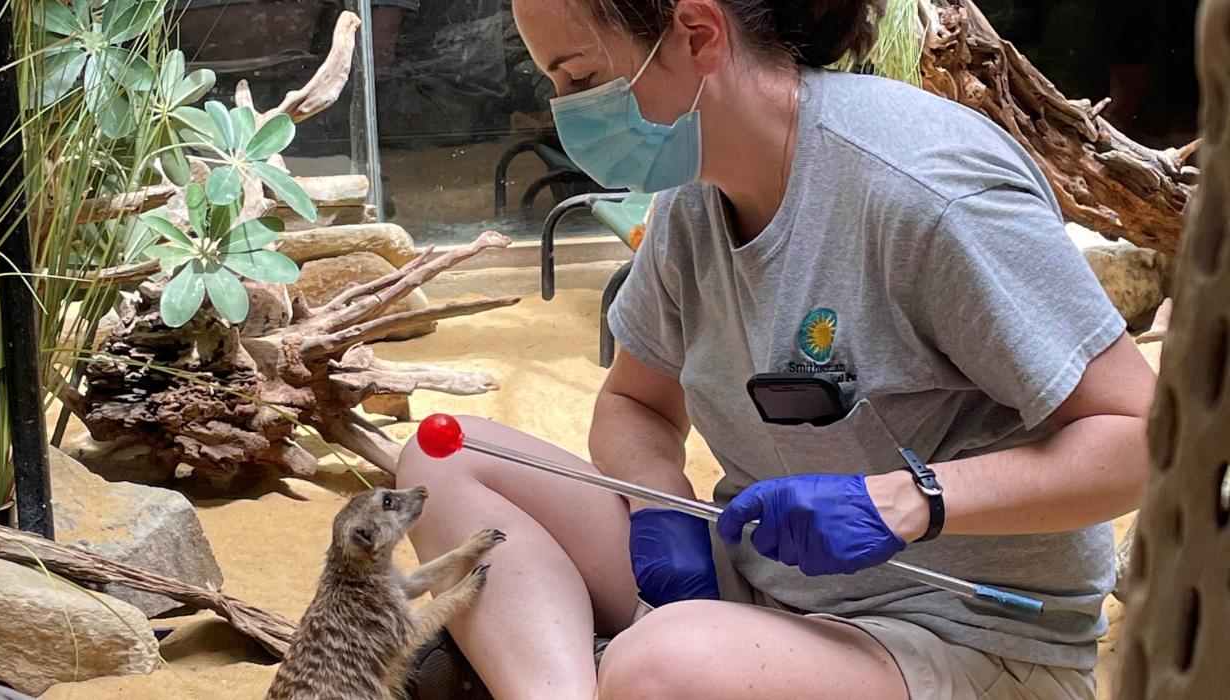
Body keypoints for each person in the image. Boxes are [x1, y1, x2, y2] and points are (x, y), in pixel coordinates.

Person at [396, 1, 1156, 698]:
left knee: (657, 666)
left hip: (965, 633)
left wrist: (908, 501)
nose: (569, 114)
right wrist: (659, 500)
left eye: (583, 77)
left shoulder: (924, 189)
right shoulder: (695, 199)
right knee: (439, 462)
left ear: (697, 34)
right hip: (769, 582)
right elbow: (635, 404)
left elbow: (1147, 441)